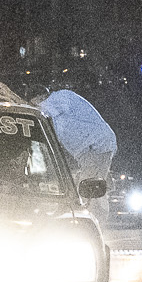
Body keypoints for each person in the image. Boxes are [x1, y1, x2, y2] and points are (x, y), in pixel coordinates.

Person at [39, 74, 120, 217]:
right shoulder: (58, 114)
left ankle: (95, 220)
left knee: (88, 186)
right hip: (90, 148)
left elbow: (36, 110)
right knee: (90, 182)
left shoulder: (59, 97)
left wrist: (9, 94)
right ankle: (91, 213)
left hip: (96, 146)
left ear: (39, 97)